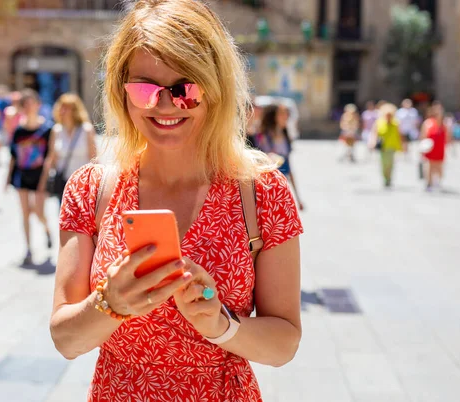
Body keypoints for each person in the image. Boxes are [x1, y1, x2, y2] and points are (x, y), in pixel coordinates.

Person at [50, 1, 303, 400]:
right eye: (145, 88)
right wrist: (109, 303)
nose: (165, 104)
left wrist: (222, 324)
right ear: (122, 92)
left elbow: (285, 342)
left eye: (186, 89)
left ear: (216, 87)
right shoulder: (90, 188)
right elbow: (65, 339)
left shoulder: (262, 192)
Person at [6, 89, 53, 265]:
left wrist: (45, 178)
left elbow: (50, 156)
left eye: (30, 103)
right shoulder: (18, 131)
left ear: (38, 105)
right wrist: (7, 178)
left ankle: (47, 229)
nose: (27, 107)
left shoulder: (47, 129)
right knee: (25, 212)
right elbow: (13, 155)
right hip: (22, 175)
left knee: (39, 211)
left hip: (40, 175)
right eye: (24, 105)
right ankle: (28, 248)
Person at [46, 93, 98, 202]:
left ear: (75, 111)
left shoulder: (86, 130)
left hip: (83, 183)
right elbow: (52, 157)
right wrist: (44, 182)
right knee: (64, 216)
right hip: (63, 182)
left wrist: (97, 182)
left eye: (67, 108)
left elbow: (94, 158)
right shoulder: (57, 130)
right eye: (62, 107)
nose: (63, 111)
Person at [255, 104, 305, 211]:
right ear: (274, 116)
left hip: (281, 187)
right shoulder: (263, 136)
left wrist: (297, 198)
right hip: (266, 188)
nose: (286, 116)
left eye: (287, 113)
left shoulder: (286, 136)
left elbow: (289, 167)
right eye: (282, 113)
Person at [370, 103, 403, 188]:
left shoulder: (396, 123)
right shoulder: (379, 122)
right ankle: (385, 178)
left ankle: (389, 178)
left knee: (391, 164)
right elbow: (375, 134)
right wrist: (373, 142)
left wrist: (401, 146)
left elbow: (399, 135)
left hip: (392, 146)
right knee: (383, 163)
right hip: (383, 147)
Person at [420, 104, 450, 190]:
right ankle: (429, 183)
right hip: (430, 149)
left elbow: (448, 137)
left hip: (440, 149)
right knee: (429, 166)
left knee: (439, 166)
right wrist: (422, 148)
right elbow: (423, 136)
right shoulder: (428, 123)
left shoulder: (444, 124)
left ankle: (437, 181)